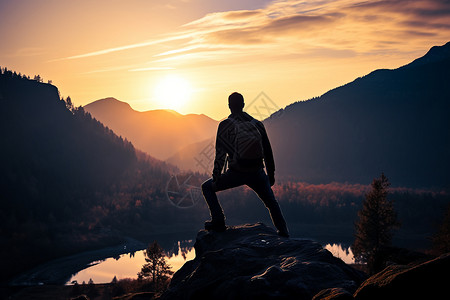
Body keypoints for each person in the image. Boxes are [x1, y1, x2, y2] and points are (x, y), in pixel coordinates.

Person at [201, 92, 290, 237]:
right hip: (257, 172)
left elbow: (220, 156)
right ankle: (284, 232)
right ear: (243, 104)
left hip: (236, 172)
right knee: (271, 203)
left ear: (229, 106)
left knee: (206, 188)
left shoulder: (225, 125)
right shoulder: (257, 124)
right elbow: (268, 152)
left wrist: (216, 177)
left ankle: (218, 221)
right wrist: (270, 176)